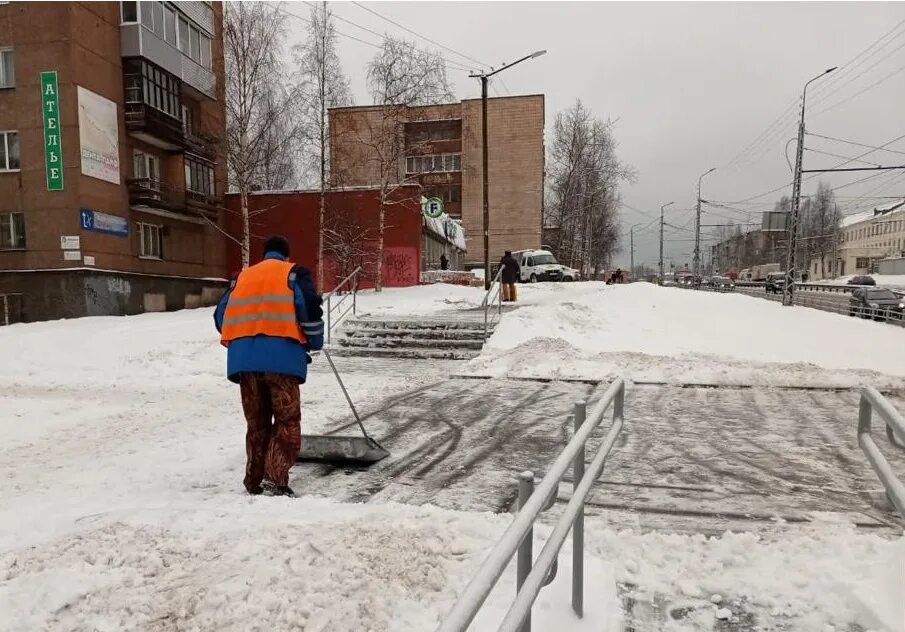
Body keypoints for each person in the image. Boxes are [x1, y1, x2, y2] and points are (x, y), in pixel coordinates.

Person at [214, 235, 324, 497]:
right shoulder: (294, 274)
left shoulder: (242, 277)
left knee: (257, 423)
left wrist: (244, 336)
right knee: (287, 421)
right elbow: (309, 309)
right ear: (286, 255)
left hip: (244, 364)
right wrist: (315, 340)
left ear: (264, 255)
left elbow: (220, 317)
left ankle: (253, 481)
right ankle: (274, 480)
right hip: (282, 361)